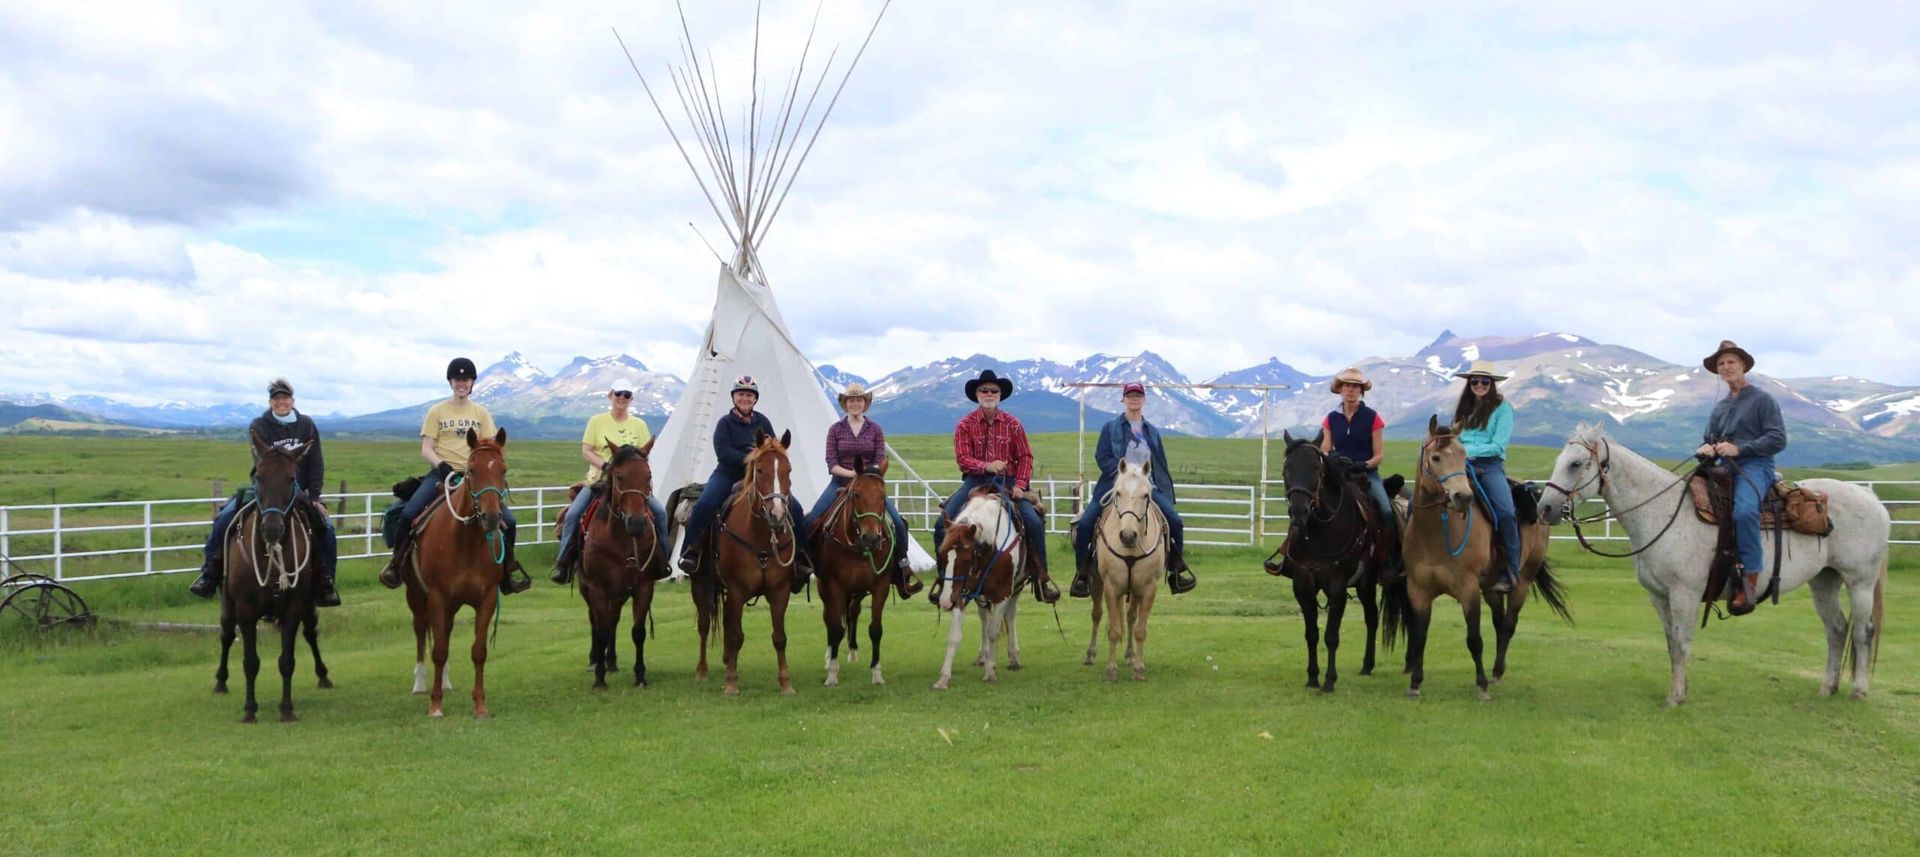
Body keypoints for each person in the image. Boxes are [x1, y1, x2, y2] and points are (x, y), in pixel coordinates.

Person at [377, 357, 531, 595]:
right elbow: (426, 448)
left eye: (466, 379)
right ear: (450, 382)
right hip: (442, 474)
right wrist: (442, 466)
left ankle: (507, 572)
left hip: (476, 477)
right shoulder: (436, 411)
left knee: (508, 522)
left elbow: (490, 446)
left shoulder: (481, 413)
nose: (462, 383)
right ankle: (396, 565)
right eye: (457, 379)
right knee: (409, 514)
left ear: (472, 383)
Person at [188, 378, 341, 607]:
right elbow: (262, 462)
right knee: (224, 519)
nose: (281, 402)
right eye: (276, 399)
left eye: (285, 398)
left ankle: (325, 580)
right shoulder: (259, 425)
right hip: (265, 488)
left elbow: (316, 462)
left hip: (297, 490)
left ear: (292, 400)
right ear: (270, 402)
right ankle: (210, 573)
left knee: (325, 527)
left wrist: (315, 496)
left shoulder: (307, 425)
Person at [930, 370, 1061, 604]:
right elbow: (963, 458)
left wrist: (1021, 485)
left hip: (1008, 483)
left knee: (1032, 520)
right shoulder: (965, 425)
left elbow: (1025, 457)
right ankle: (944, 579)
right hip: (974, 482)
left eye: (994, 391)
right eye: (985, 390)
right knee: (942, 523)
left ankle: (1041, 576)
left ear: (1000, 395)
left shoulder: (1013, 424)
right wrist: (986, 466)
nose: (989, 394)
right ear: (977, 394)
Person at [674, 376, 812, 589]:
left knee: (795, 507)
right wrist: (751, 459)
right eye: (741, 394)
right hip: (727, 474)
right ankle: (690, 551)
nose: (745, 398)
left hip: (760, 477)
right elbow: (723, 452)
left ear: (755, 399)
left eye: (749, 395)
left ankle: (801, 558)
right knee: (705, 504)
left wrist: (762, 461)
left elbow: (773, 448)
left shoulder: (763, 422)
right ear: (734, 397)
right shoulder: (724, 423)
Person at [1070, 382, 1195, 597]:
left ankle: (1176, 569)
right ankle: (1082, 573)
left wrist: (1160, 487)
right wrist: (1123, 475)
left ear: (1144, 400)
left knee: (1175, 521)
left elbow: (1159, 463)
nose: (1134, 399)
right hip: (1115, 484)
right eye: (1130, 395)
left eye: (1138, 395)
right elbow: (1102, 456)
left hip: (1146, 487)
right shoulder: (1111, 427)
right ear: (1123, 399)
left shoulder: (1152, 432)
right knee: (1085, 523)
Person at [801, 383, 922, 599]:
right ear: (845, 404)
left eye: (859, 400)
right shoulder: (835, 430)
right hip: (839, 482)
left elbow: (878, 459)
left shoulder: (875, 430)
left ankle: (903, 568)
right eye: (851, 400)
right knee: (811, 521)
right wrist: (852, 475)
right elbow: (831, 462)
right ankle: (807, 566)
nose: (855, 404)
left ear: (865, 404)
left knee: (898, 522)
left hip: (869, 486)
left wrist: (865, 477)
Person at [1695, 340, 1787, 617]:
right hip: (1724, 466)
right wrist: (1707, 448)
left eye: (1731, 362)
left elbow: (1778, 438)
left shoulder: (1762, 400)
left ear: (1743, 365)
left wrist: (1741, 448)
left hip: (1756, 465)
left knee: (1745, 511)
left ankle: (1751, 578)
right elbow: (1710, 438)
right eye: (1721, 364)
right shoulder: (1720, 407)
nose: (1726, 367)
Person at [550, 379, 668, 585]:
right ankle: (564, 562)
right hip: (599, 482)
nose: (622, 398)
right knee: (574, 514)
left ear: (631, 398)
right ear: (610, 395)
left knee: (660, 513)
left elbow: (643, 456)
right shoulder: (597, 421)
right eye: (618, 394)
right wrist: (606, 467)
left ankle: (662, 561)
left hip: (630, 485)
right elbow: (586, 450)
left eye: (627, 394)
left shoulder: (639, 425)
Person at [1452, 359, 1521, 593]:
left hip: (1489, 466)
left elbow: (1497, 446)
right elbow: (1454, 437)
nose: (1479, 385)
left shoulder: (1503, 409)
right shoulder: (1463, 409)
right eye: (1474, 381)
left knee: (1506, 513)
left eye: (1484, 381)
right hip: (1459, 466)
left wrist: (1465, 450)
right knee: (1424, 502)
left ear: (1491, 384)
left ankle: (1511, 570)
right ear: (1469, 384)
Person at [1318, 367, 1400, 553]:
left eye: (1356, 386)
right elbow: (1325, 450)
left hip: (1367, 474)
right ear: (1340, 389)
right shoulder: (1331, 419)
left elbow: (1379, 456)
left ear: (1361, 391)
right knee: (1312, 504)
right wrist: (1335, 460)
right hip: (1339, 475)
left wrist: (1362, 465)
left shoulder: (1373, 417)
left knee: (1386, 511)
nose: (1351, 390)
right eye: (1347, 385)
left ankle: (1388, 556)